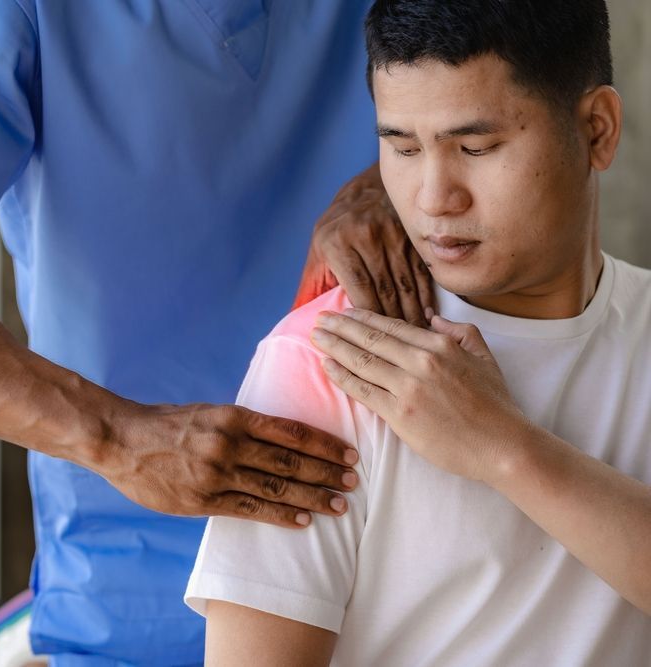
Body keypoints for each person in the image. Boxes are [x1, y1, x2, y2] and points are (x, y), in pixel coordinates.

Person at [0, 1, 433, 663]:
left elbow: (522, 96)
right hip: (138, 593)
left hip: (425, 576)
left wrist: (404, 167)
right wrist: (117, 436)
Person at [186, 0, 651, 664]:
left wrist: (504, 448)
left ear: (598, 130)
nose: (435, 197)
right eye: (401, 146)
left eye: (476, 147)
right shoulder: (325, 365)